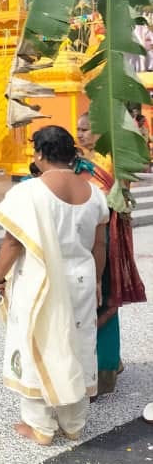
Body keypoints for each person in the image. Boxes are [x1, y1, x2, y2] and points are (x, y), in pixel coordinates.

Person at [0, 126, 109, 445]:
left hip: (41, 281)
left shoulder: (29, 193)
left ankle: (40, 425)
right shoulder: (94, 194)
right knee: (76, 342)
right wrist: (97, 279)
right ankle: (73, 423)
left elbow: (12, 244)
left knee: (38, 341)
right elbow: (100, 246)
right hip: (81, 279)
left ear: (40, 154)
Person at [76, 113, 146, 396]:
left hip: (108, 236)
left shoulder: (113, 159)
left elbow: (118, 199)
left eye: (86, 129)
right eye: (78, 129)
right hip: (84, 236)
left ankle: (105, 372)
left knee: (104, 297)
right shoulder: (79, 162)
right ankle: (102, 362)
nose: (80, 134)